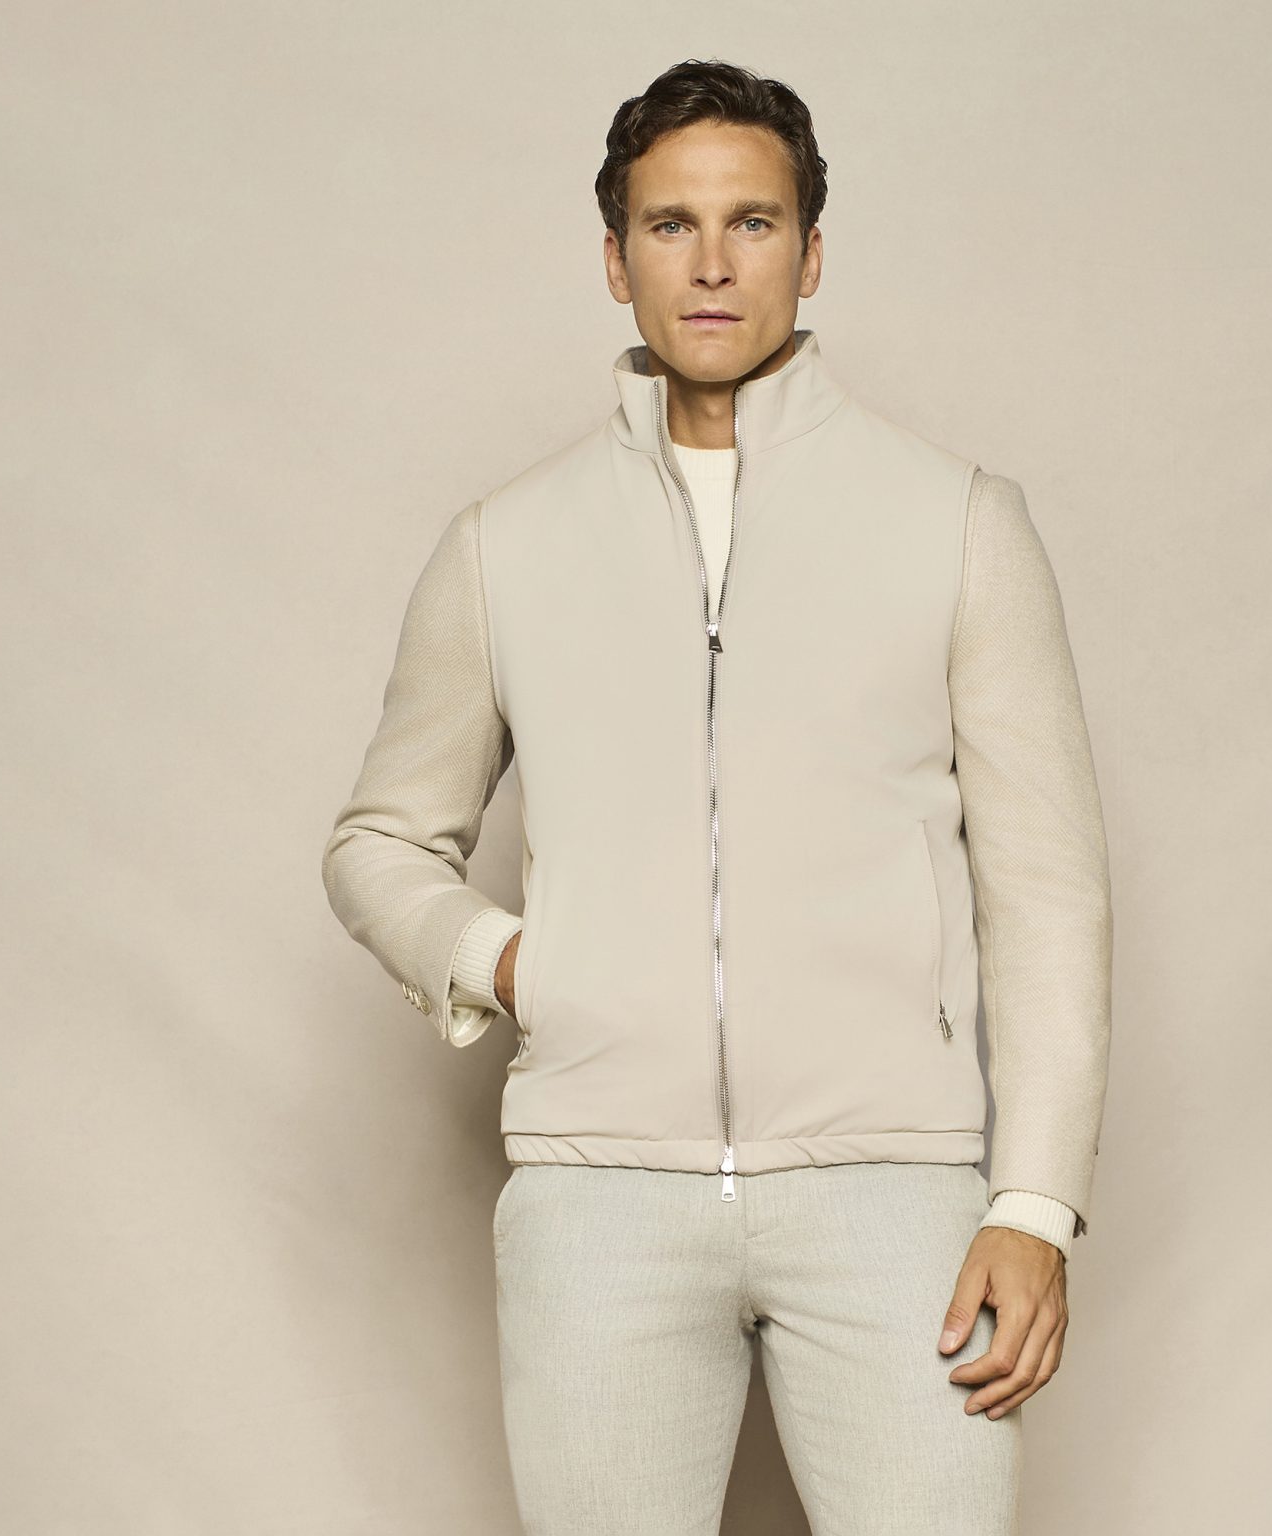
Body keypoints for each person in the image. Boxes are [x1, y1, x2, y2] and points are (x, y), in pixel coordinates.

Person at [321, 57, 1112, 1536]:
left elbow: (1047, 898)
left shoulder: (957, 522)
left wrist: (1033, 1206)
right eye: (669, 224)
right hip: (598, 1199)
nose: (710, 262)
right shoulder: (506, 545)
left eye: (752, 222)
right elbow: (380, 842)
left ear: (810, 254)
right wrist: (509, 961)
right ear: (614, 257)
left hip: (895, 1192)